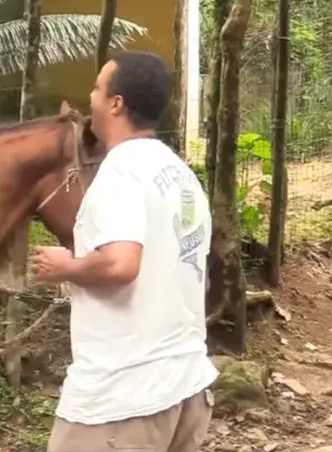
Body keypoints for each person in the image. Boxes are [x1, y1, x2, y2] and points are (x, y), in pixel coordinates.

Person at [31, 51, 217, 452]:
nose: (91, 96)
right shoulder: (180, 174)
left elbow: (121, 263)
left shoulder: (120, 171)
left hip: (124, 399)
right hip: (186, 385)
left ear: (116, 103)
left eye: (98, 88)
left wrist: (68, 266)